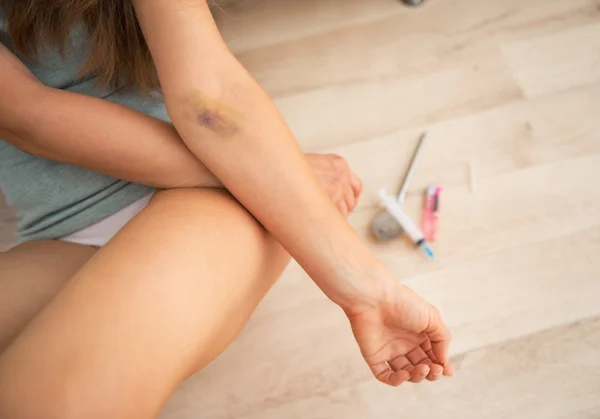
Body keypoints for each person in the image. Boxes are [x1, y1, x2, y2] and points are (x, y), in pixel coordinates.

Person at [0, 0, 452, 417]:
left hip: (200, 199)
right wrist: (286, 177)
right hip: (63, 231)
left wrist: (367, 289)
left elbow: (210, 99)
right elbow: (27, 116)